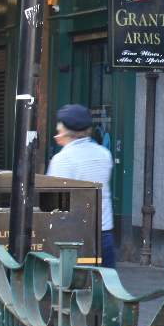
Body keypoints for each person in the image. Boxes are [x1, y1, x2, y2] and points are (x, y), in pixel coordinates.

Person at [47, 104, 117, 268]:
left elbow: (52, 203)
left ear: (64, 130)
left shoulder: (62, 159)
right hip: (103, 232)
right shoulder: (104, 154)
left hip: (73, 236)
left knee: (72, 288)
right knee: (102, 285)